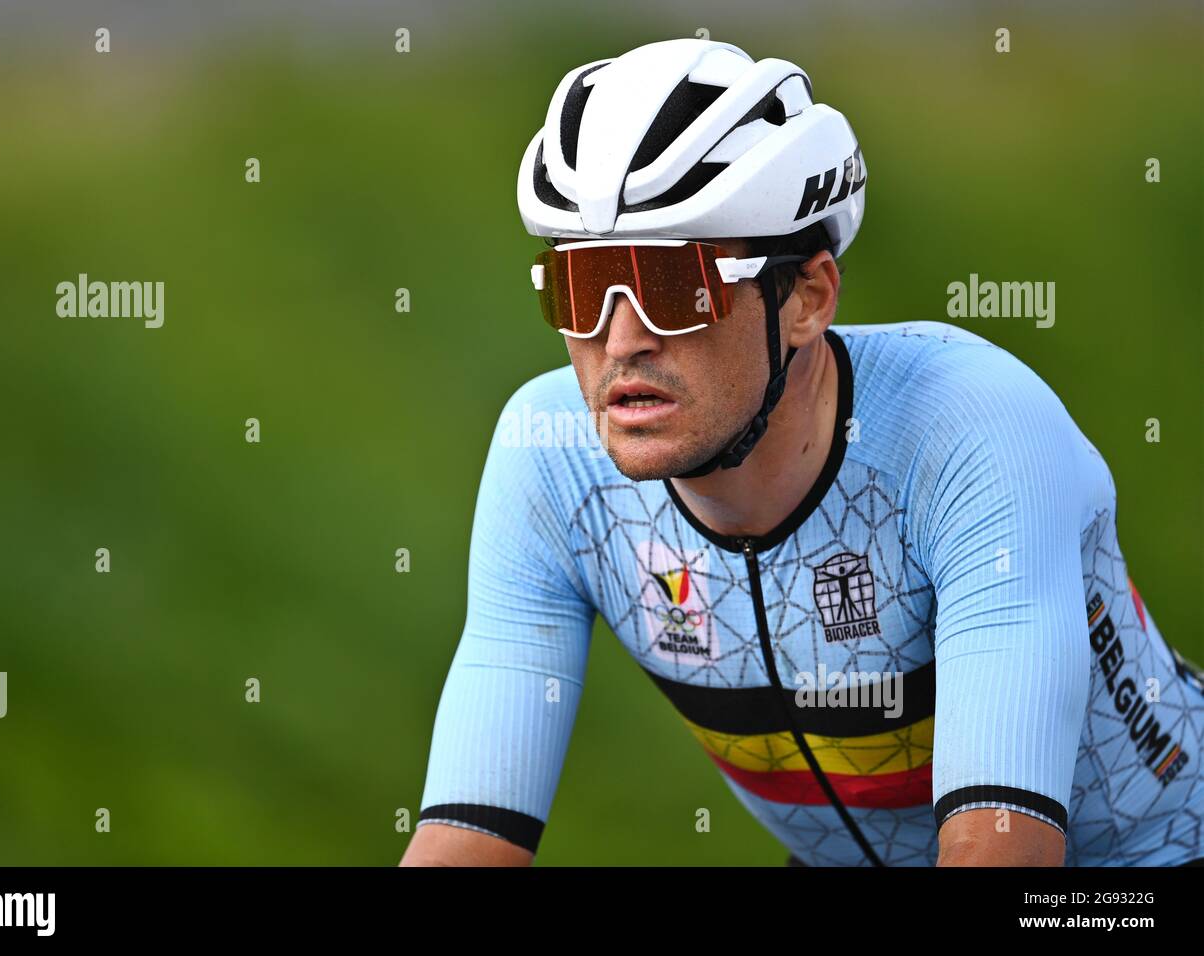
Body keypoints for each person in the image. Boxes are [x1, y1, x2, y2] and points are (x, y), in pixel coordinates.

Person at [400, 38, 1204, 866]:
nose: (622, 340)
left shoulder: (972, 427)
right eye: (579, 288)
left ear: (807, 299)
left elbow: (1001, 852)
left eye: (677, 288)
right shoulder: (549, 457)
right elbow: (463, 843)